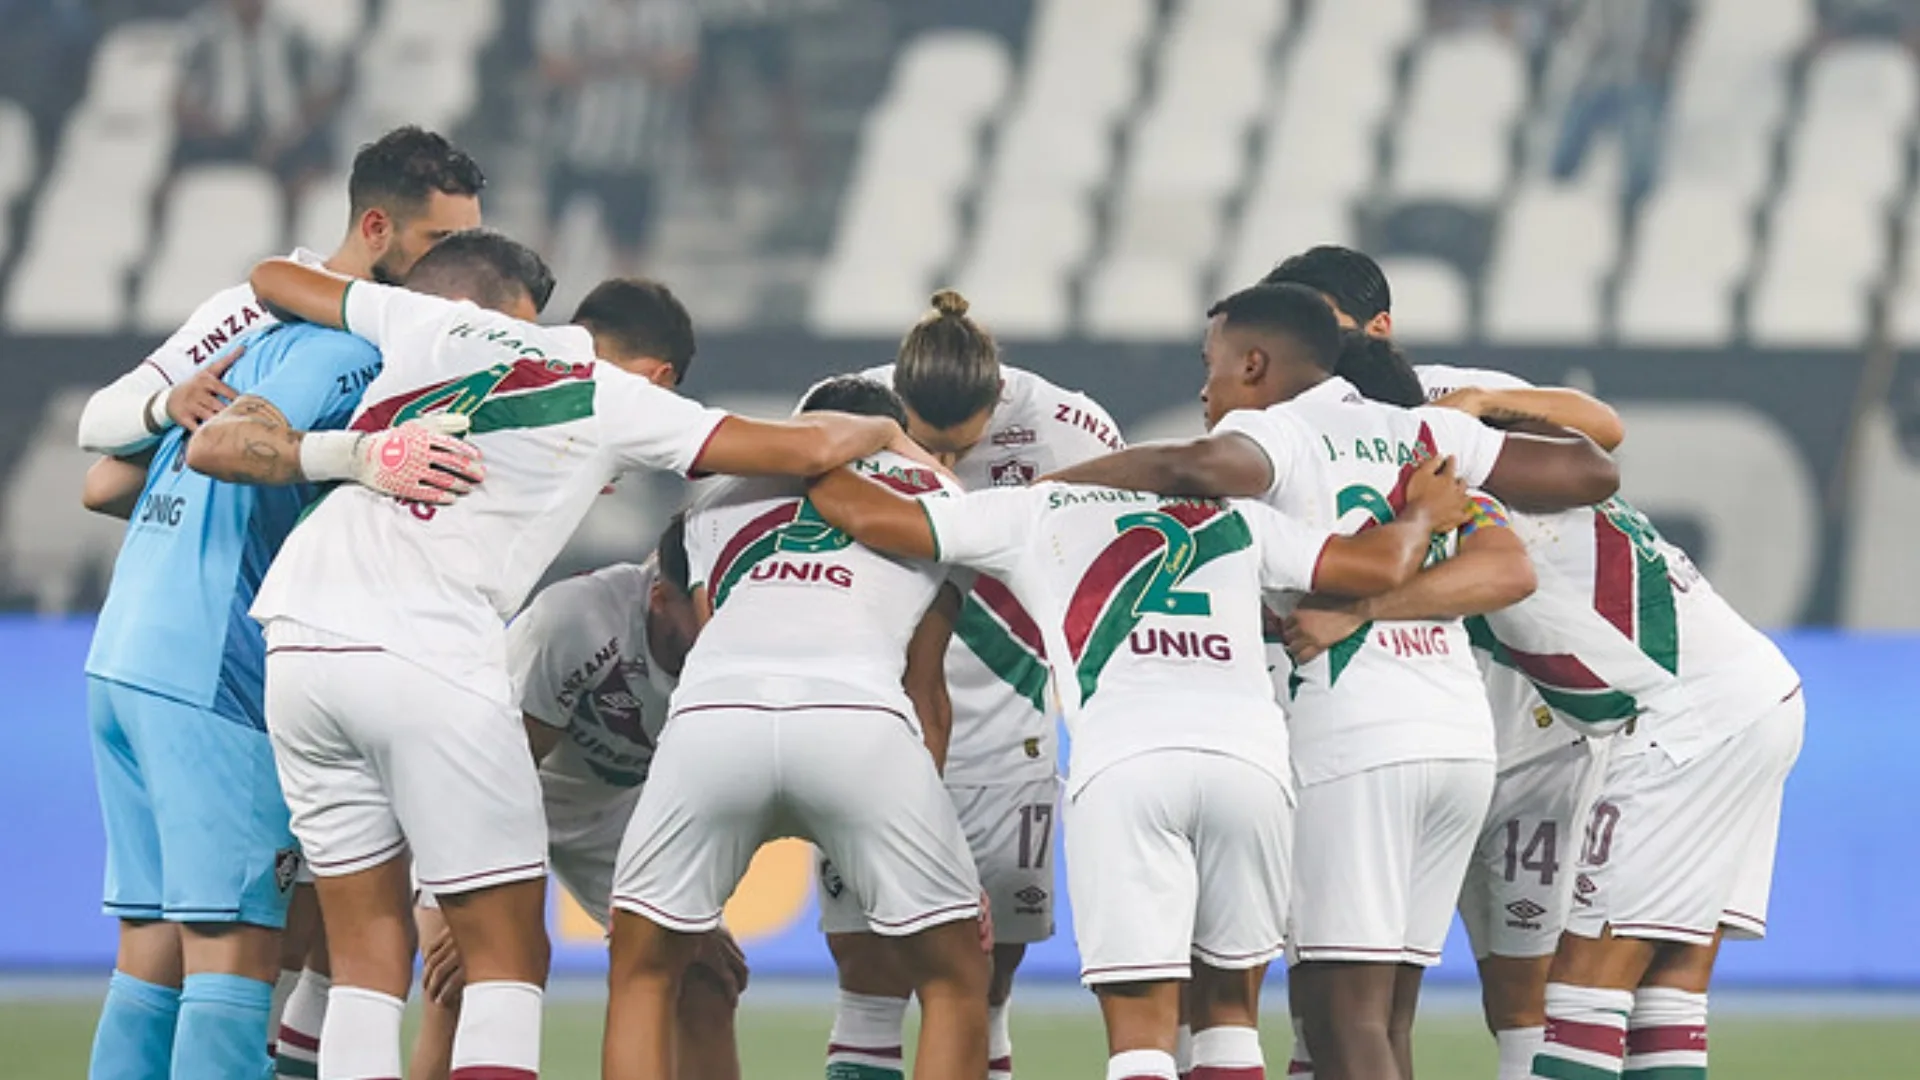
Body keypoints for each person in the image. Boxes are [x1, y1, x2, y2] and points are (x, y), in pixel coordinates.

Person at [232, 235, 922, 1080]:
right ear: (661, 374)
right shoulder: (619, 398)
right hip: (425, 642)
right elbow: (807, 451)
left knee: (368, 954)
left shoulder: (440, 322)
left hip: (299, 634)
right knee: (508, 957)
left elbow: (272, 277)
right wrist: (885, 424)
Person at [801, 402, 1479, 1080]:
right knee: (1230, 1021)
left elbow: (864, 514)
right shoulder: (1238, 518)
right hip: (1250, 769)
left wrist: (811, 452)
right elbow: (1379, 565)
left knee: (1142, 1037)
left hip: (1129, 765)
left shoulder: (1033, 510)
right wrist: (1420, 513)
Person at [1044, 284, 1620, 1080]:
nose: (1205, 390)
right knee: (1387, 1018)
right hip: (1455, 738)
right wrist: (1491, 410)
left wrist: (1052, 492)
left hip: (1351, 739)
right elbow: (1591, 469)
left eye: (1211, 367)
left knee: (1340, 1019)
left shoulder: (1276, 430)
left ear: (1255, 364)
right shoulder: (1426, 429)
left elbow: (1190, 463)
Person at [75, 126, 486, 1080]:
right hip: (213, 668)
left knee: (152, 952)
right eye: (439, 249)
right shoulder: (355, 357)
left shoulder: (254, 330)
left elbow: (102, 483)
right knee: (233, 957)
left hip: (127, 651)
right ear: (378, 229)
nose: (453, 275)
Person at [1264, 246, 1626, 1080]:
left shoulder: (1430, 396)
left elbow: (1600, 432)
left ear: (1377, 328)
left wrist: (1489, 404)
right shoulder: (1289, 423)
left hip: (1514, 733)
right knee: (1347, 993)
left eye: (1319, 322)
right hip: (1410, 714)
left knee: (1510, 988)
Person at [608, 374, 986, 1080]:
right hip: (858, 718)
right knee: (955, 978)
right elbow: (924, 687)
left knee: (643, 969)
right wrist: (926, 838)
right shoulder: (942, 497)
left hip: (717, 714)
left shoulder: (717, 496)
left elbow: (713, 633)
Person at [815, 290, 1123, 1080]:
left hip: (1009, 729)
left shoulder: (1069, 427)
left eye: (962, 449)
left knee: (987, 981)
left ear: (997, 396)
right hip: (878, 723)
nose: (943, 472)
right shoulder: (842, 408)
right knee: (868, 975)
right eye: (926, 448)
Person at [410, 517, 748, 1080]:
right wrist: (474, 916)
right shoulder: (575, 621)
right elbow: (500, 773)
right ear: (660, 596)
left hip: (618, 813)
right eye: (703, 606)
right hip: (500, 792)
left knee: (705, 980)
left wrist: (690, 913)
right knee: (465, 982)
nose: (721, 625)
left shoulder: (745, 647)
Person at [536, 0, 700, 273]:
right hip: (572, 144)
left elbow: (684, 66)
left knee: (629, 249)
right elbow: (552, 67)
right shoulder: (567, 8)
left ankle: (622, 310)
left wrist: (632, 61)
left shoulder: (669, 10)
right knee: (547, 236)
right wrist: (610, 63)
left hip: (638, 152)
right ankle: (524, 307)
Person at [173, 0, 345, 195]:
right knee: (169, 173)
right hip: (220, 133)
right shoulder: (205, 34)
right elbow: (181, 97)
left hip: (283, 135)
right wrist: (206, 126)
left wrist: (292, 130)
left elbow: (323, 90)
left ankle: (293, 221)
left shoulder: (294, 33)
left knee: (310, 158)